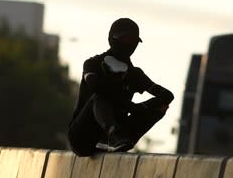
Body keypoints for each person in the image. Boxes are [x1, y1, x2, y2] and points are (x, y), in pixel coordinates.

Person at [68, 17, 174, 157]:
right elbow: (96, 86)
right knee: (100, 95)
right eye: (125, 39)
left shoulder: (135, 74)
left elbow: (167, 95)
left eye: (133, 41)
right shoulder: (92, 64)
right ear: (113, 39)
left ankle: (119, 139)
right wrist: (131, 106)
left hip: (118, 138)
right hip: (82, 137)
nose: (129, 44)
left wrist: (142, 107)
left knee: (161, 106)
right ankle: (112, 134)